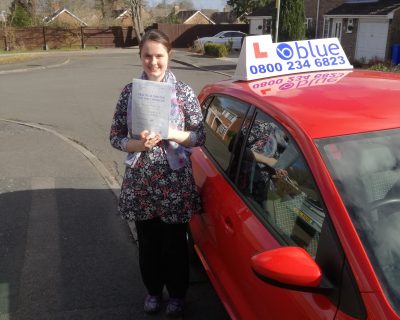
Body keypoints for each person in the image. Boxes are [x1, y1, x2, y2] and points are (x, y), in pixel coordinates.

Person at [109, 29, 206, 318]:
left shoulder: (184, 92)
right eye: (148, 56)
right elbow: (115, 136)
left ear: (169, 56)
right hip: (141, 181)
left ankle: (177, 296)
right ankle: (153, 291)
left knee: (175, 245)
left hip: (173, 181)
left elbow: (199, 135)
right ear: (140, 56)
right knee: (148, 244)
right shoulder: (129, 91)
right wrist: (137, 143)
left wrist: (171, 133)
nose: (153, 62)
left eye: (159, 56)